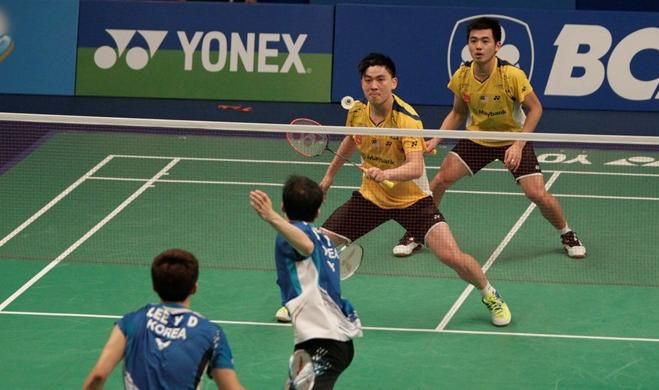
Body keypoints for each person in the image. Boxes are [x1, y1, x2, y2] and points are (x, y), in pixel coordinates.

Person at [316, 52, 511, 327]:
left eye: (381, 79)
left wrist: (385, 173)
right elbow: (351, 140)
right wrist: (328, 178)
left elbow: (415, 167)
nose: (374, 86)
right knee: (317, 244)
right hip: (371, 199)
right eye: (368, 80)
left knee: (451, 256)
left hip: (413, 201)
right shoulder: (357, 112)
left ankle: (490, 294)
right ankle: (303, 300)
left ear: (393, 82)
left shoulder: (407, 119)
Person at [393, 17, 587, 260]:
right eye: (473, 41)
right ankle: (417, 231)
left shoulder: (512, 75)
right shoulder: (462, 75)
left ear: (497, 45)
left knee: (536, 193)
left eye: (485, 41)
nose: (478, 46)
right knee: (441, 179)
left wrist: (518, 144)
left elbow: (536, 109)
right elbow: (458, 112)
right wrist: (435, 139)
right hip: (478, 138)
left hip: (512, 138)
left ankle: (567, 233)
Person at [250, 175, 362, 389]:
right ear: (318, 211)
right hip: (320, 340)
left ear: (283, 205)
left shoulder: (295, 236)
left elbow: (306, 246)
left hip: (326, 342)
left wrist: (271, 216)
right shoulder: (324, 239)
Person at [83, 249, 244, 390]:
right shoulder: (212, 333)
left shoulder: (131, 322)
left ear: (154, 286)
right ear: (194, 288)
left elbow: (98, 375)